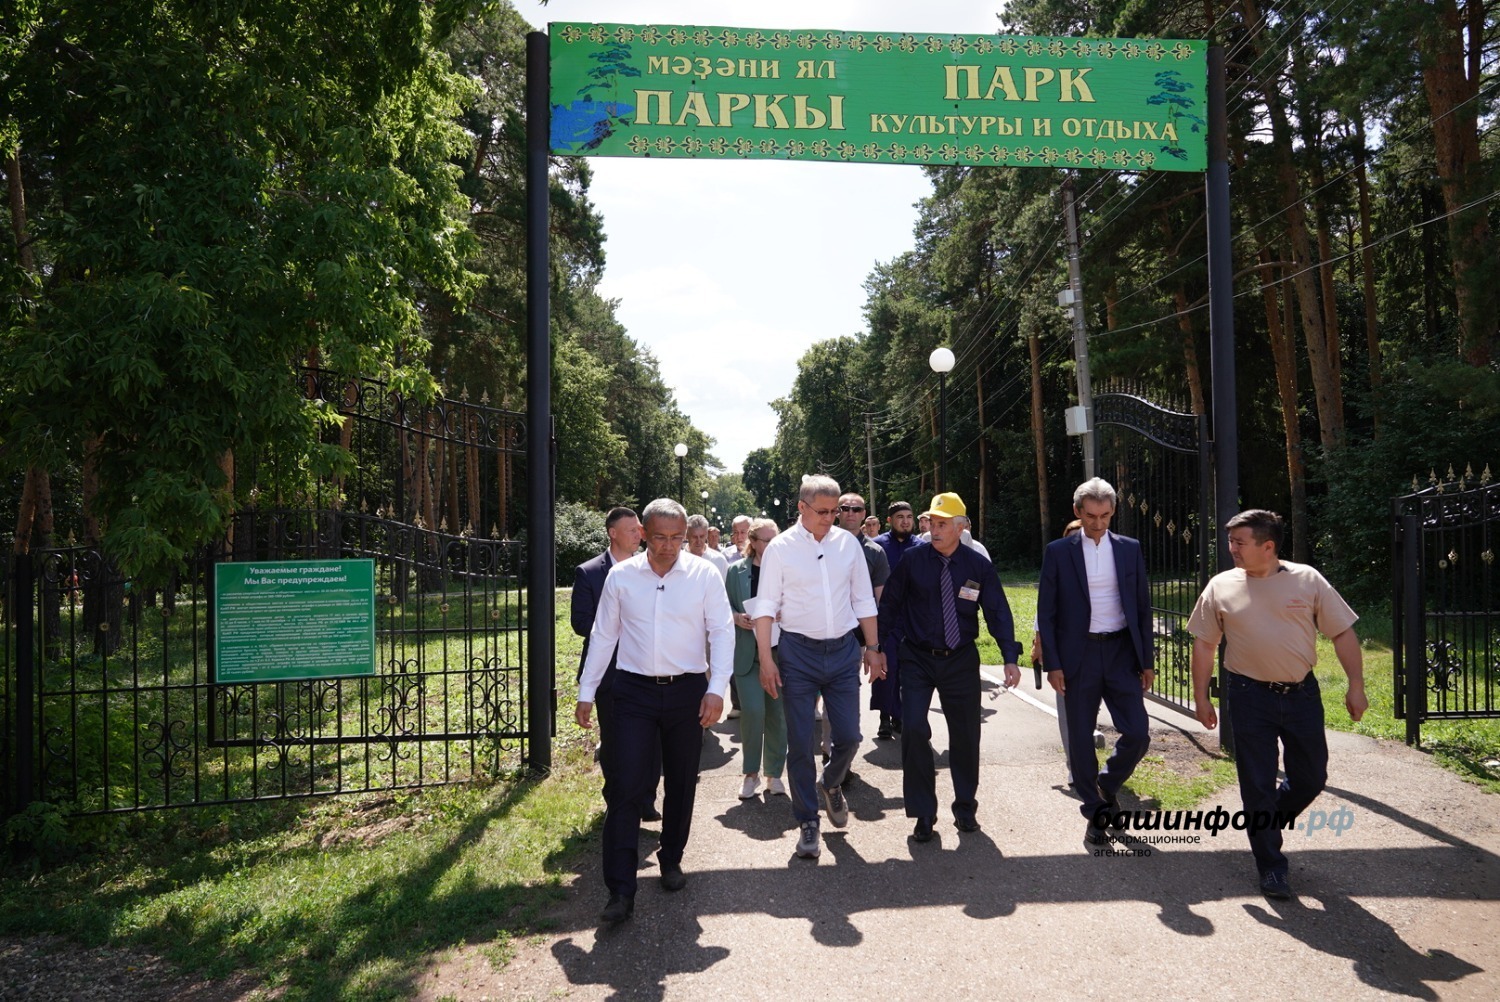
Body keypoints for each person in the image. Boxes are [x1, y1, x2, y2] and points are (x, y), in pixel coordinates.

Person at [1188, 508, 1366, 900]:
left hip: (1301, 695)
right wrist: (1201, 697)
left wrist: (1357, 685)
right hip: (1249, 697)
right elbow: (1204, 644)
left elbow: (1342, 634)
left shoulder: (1308, 580)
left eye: (1239, 543)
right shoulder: (1221, 586)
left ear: (1267, 546)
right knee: (1256, 784)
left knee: (1311, 778)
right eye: (1230, 541)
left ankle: (1264, 822)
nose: (1231, 548)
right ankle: (1271, 866)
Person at [576, 499, 733, 924]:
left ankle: (672, 857)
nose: (668, 546)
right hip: (633, 693)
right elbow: (603, 634)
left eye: (677, 538)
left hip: (687, 692)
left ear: (686, 536)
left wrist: (716, 690)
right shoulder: (622, 577)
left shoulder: (702, 575)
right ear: (643, 534)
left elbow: (720, 632)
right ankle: (620, 890)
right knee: (626, 786)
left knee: (681, 781)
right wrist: (586, 691)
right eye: (659, 537)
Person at [753, 474, 885, 860]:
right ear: (801, 508)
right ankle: (807, 820)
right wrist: (765, 659)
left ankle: (830, 782)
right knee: (800, 743)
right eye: (824, 512)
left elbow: (863, 599)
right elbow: (764, 607)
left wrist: (873, 648)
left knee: (850, 736)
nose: (832, 518)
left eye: (837, 511)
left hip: (844, 651)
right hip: (797, 653)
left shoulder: (847, 545)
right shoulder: (780, 548)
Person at [879, 492, 1021, 840]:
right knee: (913, 728)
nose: (933, 529)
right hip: (917, 657)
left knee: (966, 733)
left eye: (942, 524)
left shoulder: (977, 566)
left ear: (960, 528)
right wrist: (876, 647)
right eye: (931, 522)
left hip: (959, 658)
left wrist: (1009, 657)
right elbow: (891, 606)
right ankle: (924, 813)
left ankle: (965, 807)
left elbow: (997, 611)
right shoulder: (913, 561)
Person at [1036, 477, 1155, 847]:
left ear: (1113, 512)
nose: (1098, 523)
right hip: (1078, 656)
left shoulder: (1129, 548)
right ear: (1077, 512)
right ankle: (1095, 809)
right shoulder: (1058, 551)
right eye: (1090, 516)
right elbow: (1048, 610)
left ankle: (1106, 784)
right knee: (1081, 737)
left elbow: (1140, 606)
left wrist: (1146, 660)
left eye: (1105, 516)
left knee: (1137, 732)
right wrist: (1053, 663)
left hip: (1121, 653)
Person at [570, 507, 660, 822]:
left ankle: (647, 799)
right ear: (613, 533)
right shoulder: (589, 572)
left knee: (652, 738)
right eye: (633, 530)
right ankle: (617, 798)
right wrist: (619, 621)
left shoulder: (651, 569)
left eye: (640, 529)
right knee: (614, 738)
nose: (640, 534)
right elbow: (581, 622)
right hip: (608, 671)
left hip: (647, 667)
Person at [1029, 519, 1100, 786]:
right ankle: (1075, 764)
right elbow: (1043, 610)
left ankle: (1086, 752)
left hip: (1098, 650)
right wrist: (1039, 643)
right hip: (1064, 650)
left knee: (1088, 711)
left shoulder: (1100, 569)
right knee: (1068, 710)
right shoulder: (1056, 566)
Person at [725, 517, 788, 799]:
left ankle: (773, 774)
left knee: (777, 715)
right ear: (752, 542)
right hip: (747, 654)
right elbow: (720, 609)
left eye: (776, 540)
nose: (773, 545)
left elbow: (800, 603)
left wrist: (785, 613)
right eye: (766, 540)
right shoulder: (736, 571)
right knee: (752, 712)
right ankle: (750, 774)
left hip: (780, 653)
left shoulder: (788, 570)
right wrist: (736, 617)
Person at [873, 501, 924, 740]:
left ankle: (901, 716)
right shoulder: (878, 546)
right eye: (900, 517)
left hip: (914, 620)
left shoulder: (922, 547)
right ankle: (884, 716)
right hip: (886, 620)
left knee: (909, 671)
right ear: (890, 520)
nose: (905, 521)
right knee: (886, 669)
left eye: (909, 516)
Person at [686, 514, 730, 578]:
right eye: (694, 537)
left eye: (701, 536)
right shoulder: (677, 560)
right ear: (687, 535)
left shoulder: (719, 560)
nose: (698, 541)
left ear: (706, 535)